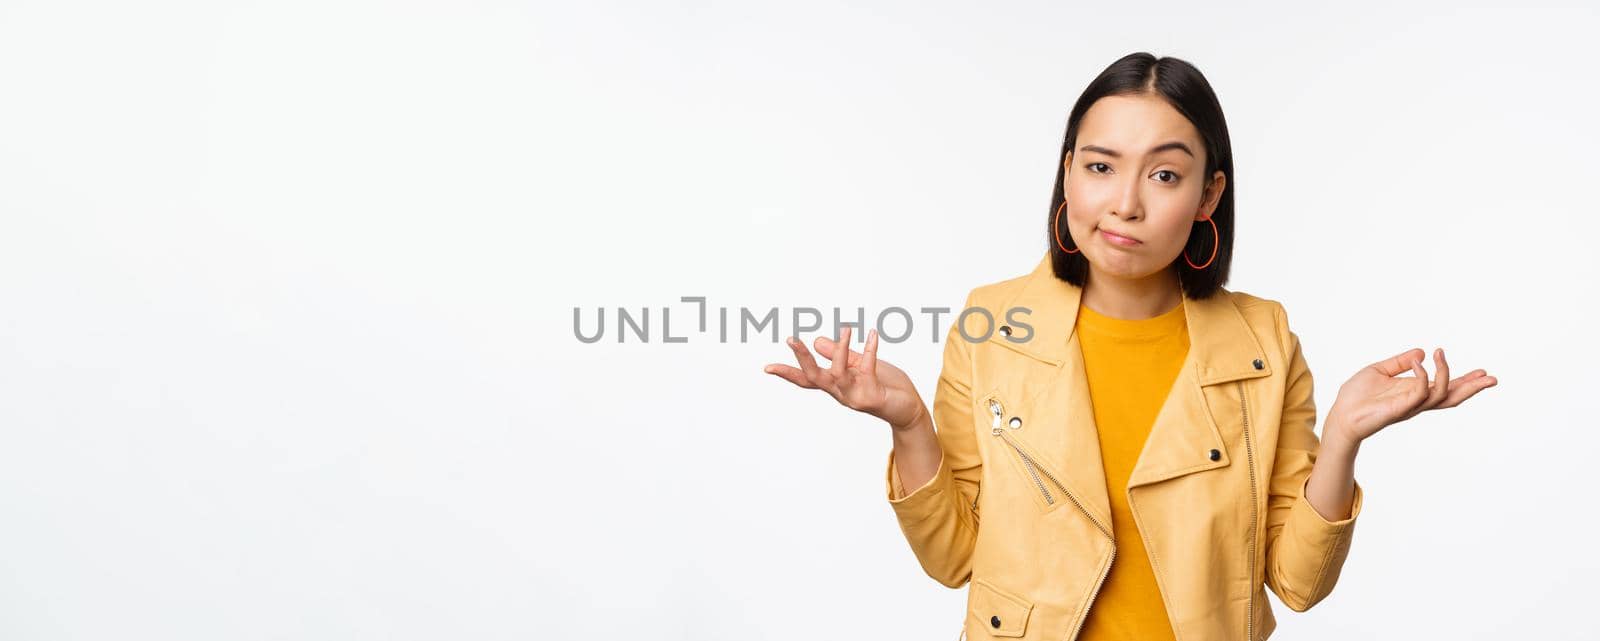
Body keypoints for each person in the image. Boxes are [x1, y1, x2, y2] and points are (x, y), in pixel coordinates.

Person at [763, 52, 1497, 640]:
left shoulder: (1263, 340)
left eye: (1166, 174)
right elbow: (956, 557)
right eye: (1100, 165)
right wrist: (910, 424)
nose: (1125, 202)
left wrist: (1340, 440)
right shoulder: (991, 323)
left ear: (1208, 196)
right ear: (1067, 173)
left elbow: (1297, 583)